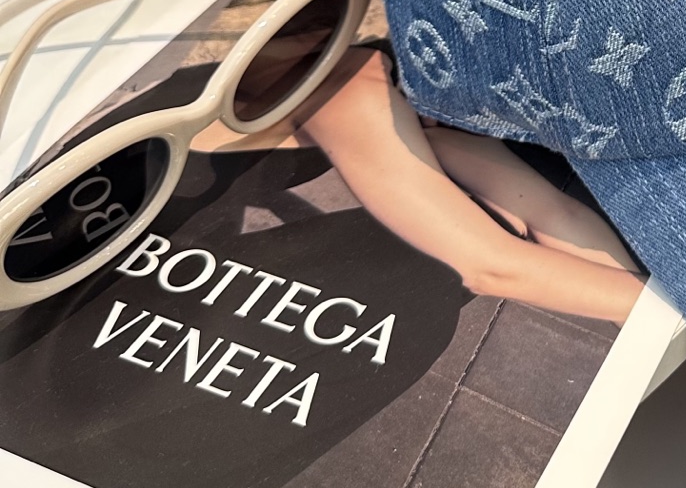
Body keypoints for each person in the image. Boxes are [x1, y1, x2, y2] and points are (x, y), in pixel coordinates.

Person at [192, 44, 644, 324]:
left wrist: (660, 316)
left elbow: (548, 217)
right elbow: (496, 262)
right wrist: (675, 318)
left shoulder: (391, 102)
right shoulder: (353, 87)